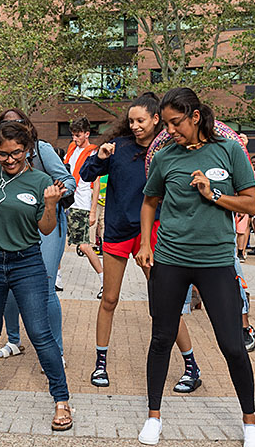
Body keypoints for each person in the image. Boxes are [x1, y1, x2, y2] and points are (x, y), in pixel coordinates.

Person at [136, 87, 255, 447]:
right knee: (161, 338)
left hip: (216, 261)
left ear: (194, 116)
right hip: (171, 258)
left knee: (233, 346)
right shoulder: (165, 157)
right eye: (167, 123)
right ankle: (154, 416)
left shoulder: (229, 150)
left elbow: (251, 204)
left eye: (176, 122)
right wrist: (146, 244)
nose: (170, 130)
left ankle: (251, 423)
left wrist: (213, 195)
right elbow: (149, 201)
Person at [80, 93, 202, 393]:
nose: (134, 126)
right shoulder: (118, 148)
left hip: (153, 231)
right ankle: (100, 362)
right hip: (119, 230)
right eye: (131, 120)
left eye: (140, 120)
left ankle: (191, 366)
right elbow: (85, 174)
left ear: (155, 120)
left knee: (164, 302)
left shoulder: (167, 148)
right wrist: (100, 158)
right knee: (109, 299)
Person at [0, 120, 72, 431]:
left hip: (27, 264)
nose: (9, 160)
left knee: (39, 332)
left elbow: (46, 228)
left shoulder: (39, 180)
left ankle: (61, 398)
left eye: (17, 153)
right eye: (3, 154)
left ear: (27, 151)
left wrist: (50, 204)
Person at [0, 108, 75, 361]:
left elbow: (68, 180)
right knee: (8, 285)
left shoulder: (41, 149)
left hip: (47, 220)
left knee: (46, 286)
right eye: (6, 123)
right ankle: (14, 341)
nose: (13, 125)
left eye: (18, 121)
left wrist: (56, 193)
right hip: (15, 225)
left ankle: (55, 351)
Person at [64, 117, 103, 297]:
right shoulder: (71, 150)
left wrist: (93, 210)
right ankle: (55, 279)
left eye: (78, 135)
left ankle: (104, 281)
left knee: (85, 246)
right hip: (67, 202)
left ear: (87, 134)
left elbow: (97, 184)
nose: (75, 138)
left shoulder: (93, 153)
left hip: (82, 204)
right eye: (73, 135)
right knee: (56, 240)